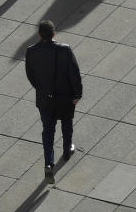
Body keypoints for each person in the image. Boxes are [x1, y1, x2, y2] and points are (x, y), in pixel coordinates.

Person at [25, 20, 82, 179]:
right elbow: (74, 74)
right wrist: (77, 94)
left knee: (48, 131)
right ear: (54, 34)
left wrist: (43, 90)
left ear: (39, 35)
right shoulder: (65, 50)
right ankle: (66, 150)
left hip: (45, 99)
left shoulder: (31, 51)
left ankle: (48, 163)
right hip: (65, 97)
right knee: (66, 123)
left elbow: (31, 76)